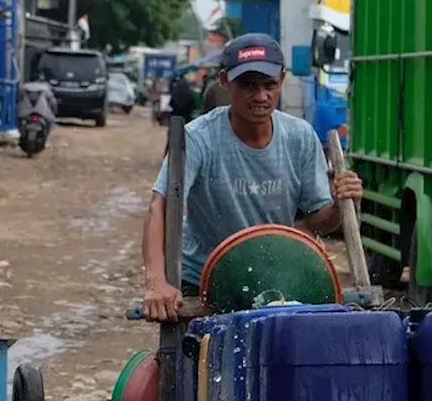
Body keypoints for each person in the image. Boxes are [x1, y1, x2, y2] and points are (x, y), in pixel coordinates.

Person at [142, 33, 363, 322]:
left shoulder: (300, 137)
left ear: (282, 81)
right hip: (205, 279)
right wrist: (157, 283)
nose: (260, 96)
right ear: (225, 82)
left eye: (269, 85)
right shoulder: (197, 139)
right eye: (247, 85)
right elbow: (160, 206)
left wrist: (338, 203)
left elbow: (316, 220)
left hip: (275, 279)